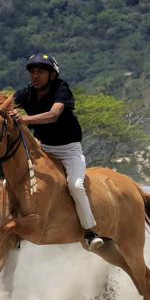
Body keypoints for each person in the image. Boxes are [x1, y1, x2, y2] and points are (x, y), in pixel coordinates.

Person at [9, 53, 107, 251]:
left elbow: (54, 115)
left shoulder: (62, 89)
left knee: (76, 185)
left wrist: (25, 120)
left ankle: (89, 232)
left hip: (69, 151)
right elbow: (6, 103)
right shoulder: (26, 93)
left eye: (41, 72)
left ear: (52, 75)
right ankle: (14, 228)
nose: (35, 76)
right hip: (43, 150)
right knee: (12, 181)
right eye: (32, 72)